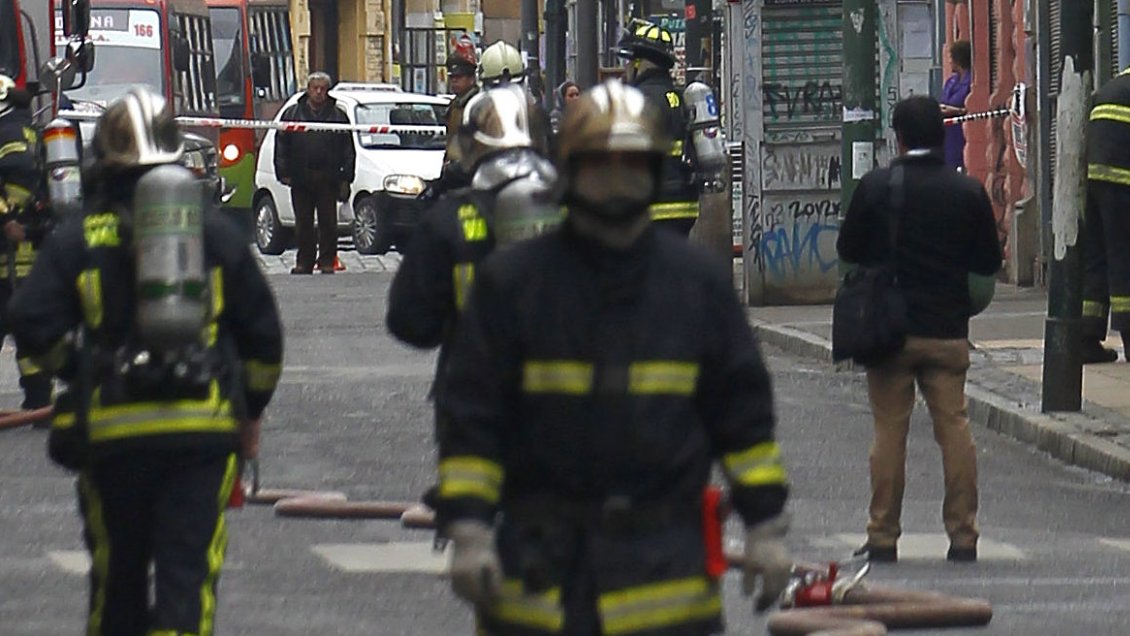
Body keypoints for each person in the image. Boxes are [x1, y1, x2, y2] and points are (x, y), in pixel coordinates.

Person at [434, 80, 792, 634]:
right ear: (570, 171)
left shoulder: (696, 285)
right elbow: (473, 418)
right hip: (538, 579)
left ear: (653, 173)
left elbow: (742, 415)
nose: (616, 183)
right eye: (602, 166)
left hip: (665, 582)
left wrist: (765, 524)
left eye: (632, 165)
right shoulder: (514, 285)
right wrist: (470, 530)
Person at [8, 88, 284, 635]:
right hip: (200, 434)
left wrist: (81, 367)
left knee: (117, 586)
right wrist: (248, 413)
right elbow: (264, 339)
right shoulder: (215, 232)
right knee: (188, 581)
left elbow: (29, 320)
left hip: (113, 438)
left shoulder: (78, 235)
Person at [837, 96, 1001, 564]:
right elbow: (987, 269)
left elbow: (849, 252)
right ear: (941, 134)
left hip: (889, 333)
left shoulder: (875, 187)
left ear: (899, 138)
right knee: (955, 429)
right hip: (947, 331)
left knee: (889, 433)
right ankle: (964, 535)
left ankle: (883, 534)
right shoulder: (968, 192)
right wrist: (962, 305)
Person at [0, 74, 52, 411]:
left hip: (10, 253)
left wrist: (7, 217)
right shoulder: (29, 128)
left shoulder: (8, 133)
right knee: (30, 329)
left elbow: (15, 180)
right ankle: (39, 401)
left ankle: (38, 401)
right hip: (31, 251)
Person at [618, 20, 700, 235]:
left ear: (639, 63)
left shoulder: (637, 100)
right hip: (685, 205)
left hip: (653, 207)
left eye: (628, 60)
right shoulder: (678, 96)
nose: (625, 67)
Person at [274, 71, 355, 274]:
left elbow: (348, 148)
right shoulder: (292, 114)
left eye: (322, 89)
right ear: (308, 90)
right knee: (303, 223)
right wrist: (283, 171)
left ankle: (327, 260)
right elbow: (282, 144)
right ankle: (304, 261)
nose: (319, 93)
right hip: (301, 176)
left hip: (328, 178)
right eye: (315, 88)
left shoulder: (338, 116)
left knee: (328, 223)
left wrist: (346, 176)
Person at [1082, 66, 1130, 363]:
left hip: (1095, 179)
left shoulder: (1117, 84)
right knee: (1124, 258)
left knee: (1097, 258)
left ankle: (1085, 338)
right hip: (1124, 179)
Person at [939, 40, 972, 171]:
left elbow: (970, 107)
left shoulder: (970, 81)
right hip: (947, 135)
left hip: (961, 133)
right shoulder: (951, 81)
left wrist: (957, 111)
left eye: (951, 58)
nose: (949, 62)